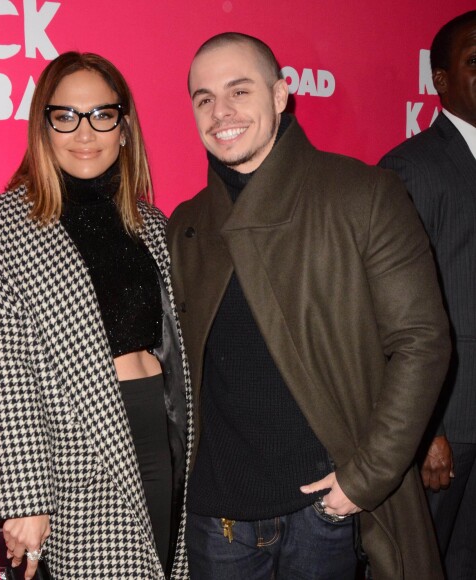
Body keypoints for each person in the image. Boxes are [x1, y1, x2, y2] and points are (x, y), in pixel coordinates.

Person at [166, 32, 450, 580]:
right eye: (204, 99)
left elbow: (421, 342)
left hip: (321, 513)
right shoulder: (187, 224)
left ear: (280, 95)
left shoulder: (363, 195)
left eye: (239, 91)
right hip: (215, 519)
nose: (220, 112)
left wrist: (362, 480)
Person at [0, 51, 191, 580]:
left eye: (102, 115)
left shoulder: (153, 224)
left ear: (124, 127)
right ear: (43, 126)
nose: (84, 133)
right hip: (74, 452)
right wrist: (23, 498)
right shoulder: (3, 226)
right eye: (65, 116)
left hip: (163, 429)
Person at [379, 11, 476, 578]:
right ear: (439, 80)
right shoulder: (409, 168)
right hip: (449, 421)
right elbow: (393, 315)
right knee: (426, 563)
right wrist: (424, 430)